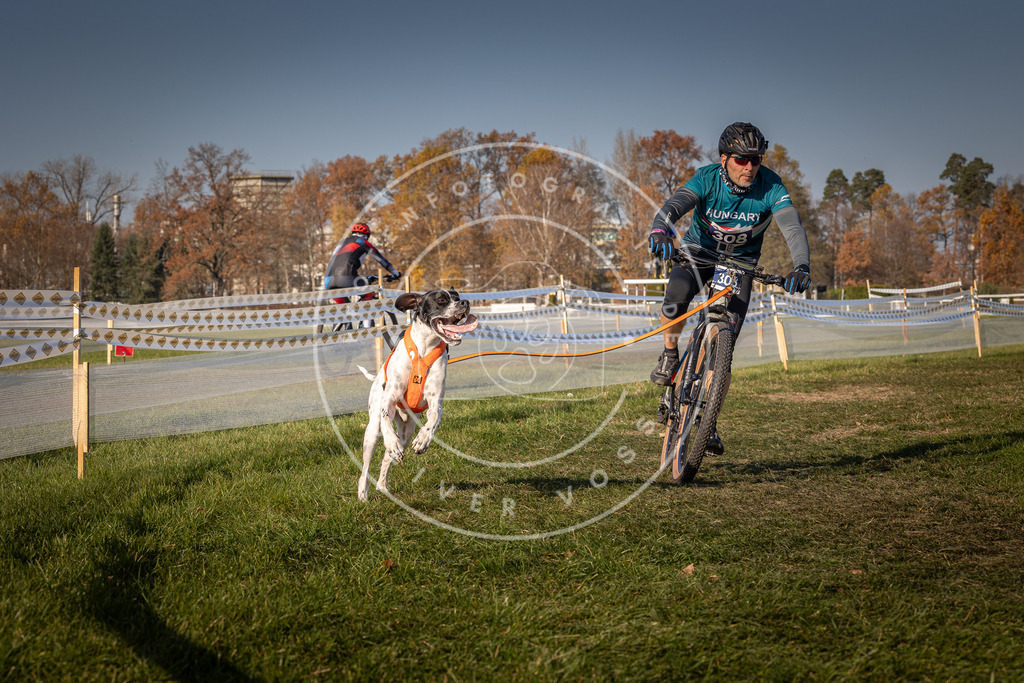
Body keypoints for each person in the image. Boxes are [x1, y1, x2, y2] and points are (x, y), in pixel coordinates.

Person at [647, 122, 811, 454]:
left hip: (741, 265)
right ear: (724, 158)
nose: (749, 167)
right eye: (741, 159)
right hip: (698, 253)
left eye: (756, 160)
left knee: (724, 349)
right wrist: (660, 230)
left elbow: (792, 226)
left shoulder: (771, 186)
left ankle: (708, 423)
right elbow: (675, 205)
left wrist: (802, 266)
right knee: (674, 302)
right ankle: (670, 353)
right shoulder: (707, 178)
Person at [322, 223, 401, 329]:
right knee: (368, 294)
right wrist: (395, 273)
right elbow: (382, 260)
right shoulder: (363, 242)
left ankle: (337, 331)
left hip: (328, 279)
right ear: (366, 235)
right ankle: (366, 329)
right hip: (346, 277)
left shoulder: (341, 243)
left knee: (342, 308)